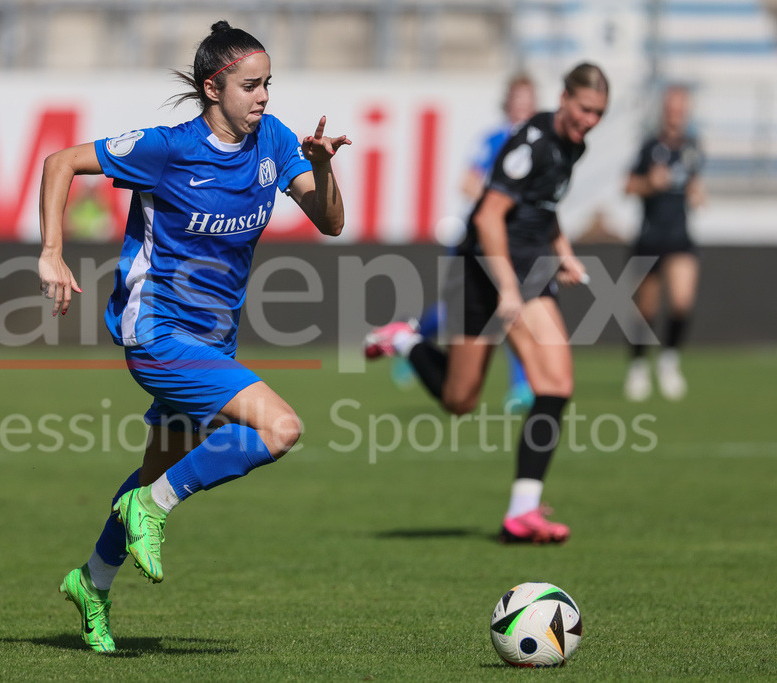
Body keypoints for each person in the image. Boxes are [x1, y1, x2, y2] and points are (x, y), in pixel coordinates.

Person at [37, 20, 350, 652]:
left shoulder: (277, 141)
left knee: (160, 465)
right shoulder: (169, 148)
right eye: (250, 85)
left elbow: (331, 221)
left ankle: (91, 581)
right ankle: (153, 508)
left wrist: (323, 170)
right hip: (153, 330)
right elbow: (61, 161)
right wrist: (51, 253)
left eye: (268, 84)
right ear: (214, 87)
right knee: (280, 428)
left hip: (213, 342)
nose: (263, 97)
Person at [365, 63, 609, 544]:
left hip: (529, 270)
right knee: (460, 400)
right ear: (563, 98)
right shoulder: (530, 143)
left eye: (599, 113)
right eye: (584, 110)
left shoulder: (573, 144)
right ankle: (409, 341)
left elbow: (545, 205)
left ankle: (522, 512)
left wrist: (564, 255)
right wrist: (507, 287)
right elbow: (491, 218)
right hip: (482, 269)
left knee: (555, 384)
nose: (589, 121)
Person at [396, 75, 539, 413]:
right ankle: (413, 341)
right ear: (508, 103)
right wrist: (503, 203)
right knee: (457, 315)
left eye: (528, 100)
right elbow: (468, 184)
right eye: (518, 100)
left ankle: (521, 387)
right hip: (481, 243)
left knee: (513, 312)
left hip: (516, 244)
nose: (523, 106)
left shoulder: (538, 145)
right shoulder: (494, 140)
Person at [622, 84, 706, 402]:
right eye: (671, 107)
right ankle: (639, 365)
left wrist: (697, 194)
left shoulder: (693, 148)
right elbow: (628, 186)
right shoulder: (649, 148)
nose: (676, 113)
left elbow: (694, 183)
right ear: (664, 110)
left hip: (680, 237)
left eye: (681, 107)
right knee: (646, 309)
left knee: (683, 300)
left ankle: (669, 361)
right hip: (650, 238)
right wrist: (649, 183)